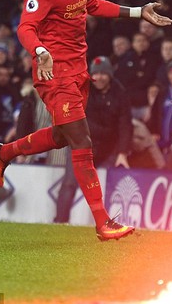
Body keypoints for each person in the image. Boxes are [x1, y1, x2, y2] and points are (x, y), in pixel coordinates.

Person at [0, 0, 172, 241]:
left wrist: (139, 12)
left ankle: (4, 154)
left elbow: (93, 4)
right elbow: (25, 28)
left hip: (79, 69)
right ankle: (103, 222)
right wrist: (40, 50)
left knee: (61, 135)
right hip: (53, 72)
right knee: (82, 140)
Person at [55, 56, 133, 223]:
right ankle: (59, 222)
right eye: (96, 73)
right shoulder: (83, 90)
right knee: (69, 183)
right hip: (81, 145)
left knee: (106, 187)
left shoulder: (120, 93)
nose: (99, 77)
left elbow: (125, 124)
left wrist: (122, 152)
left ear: (110, 75)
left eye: (104, 73)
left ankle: (106, 224)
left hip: (107, 149)